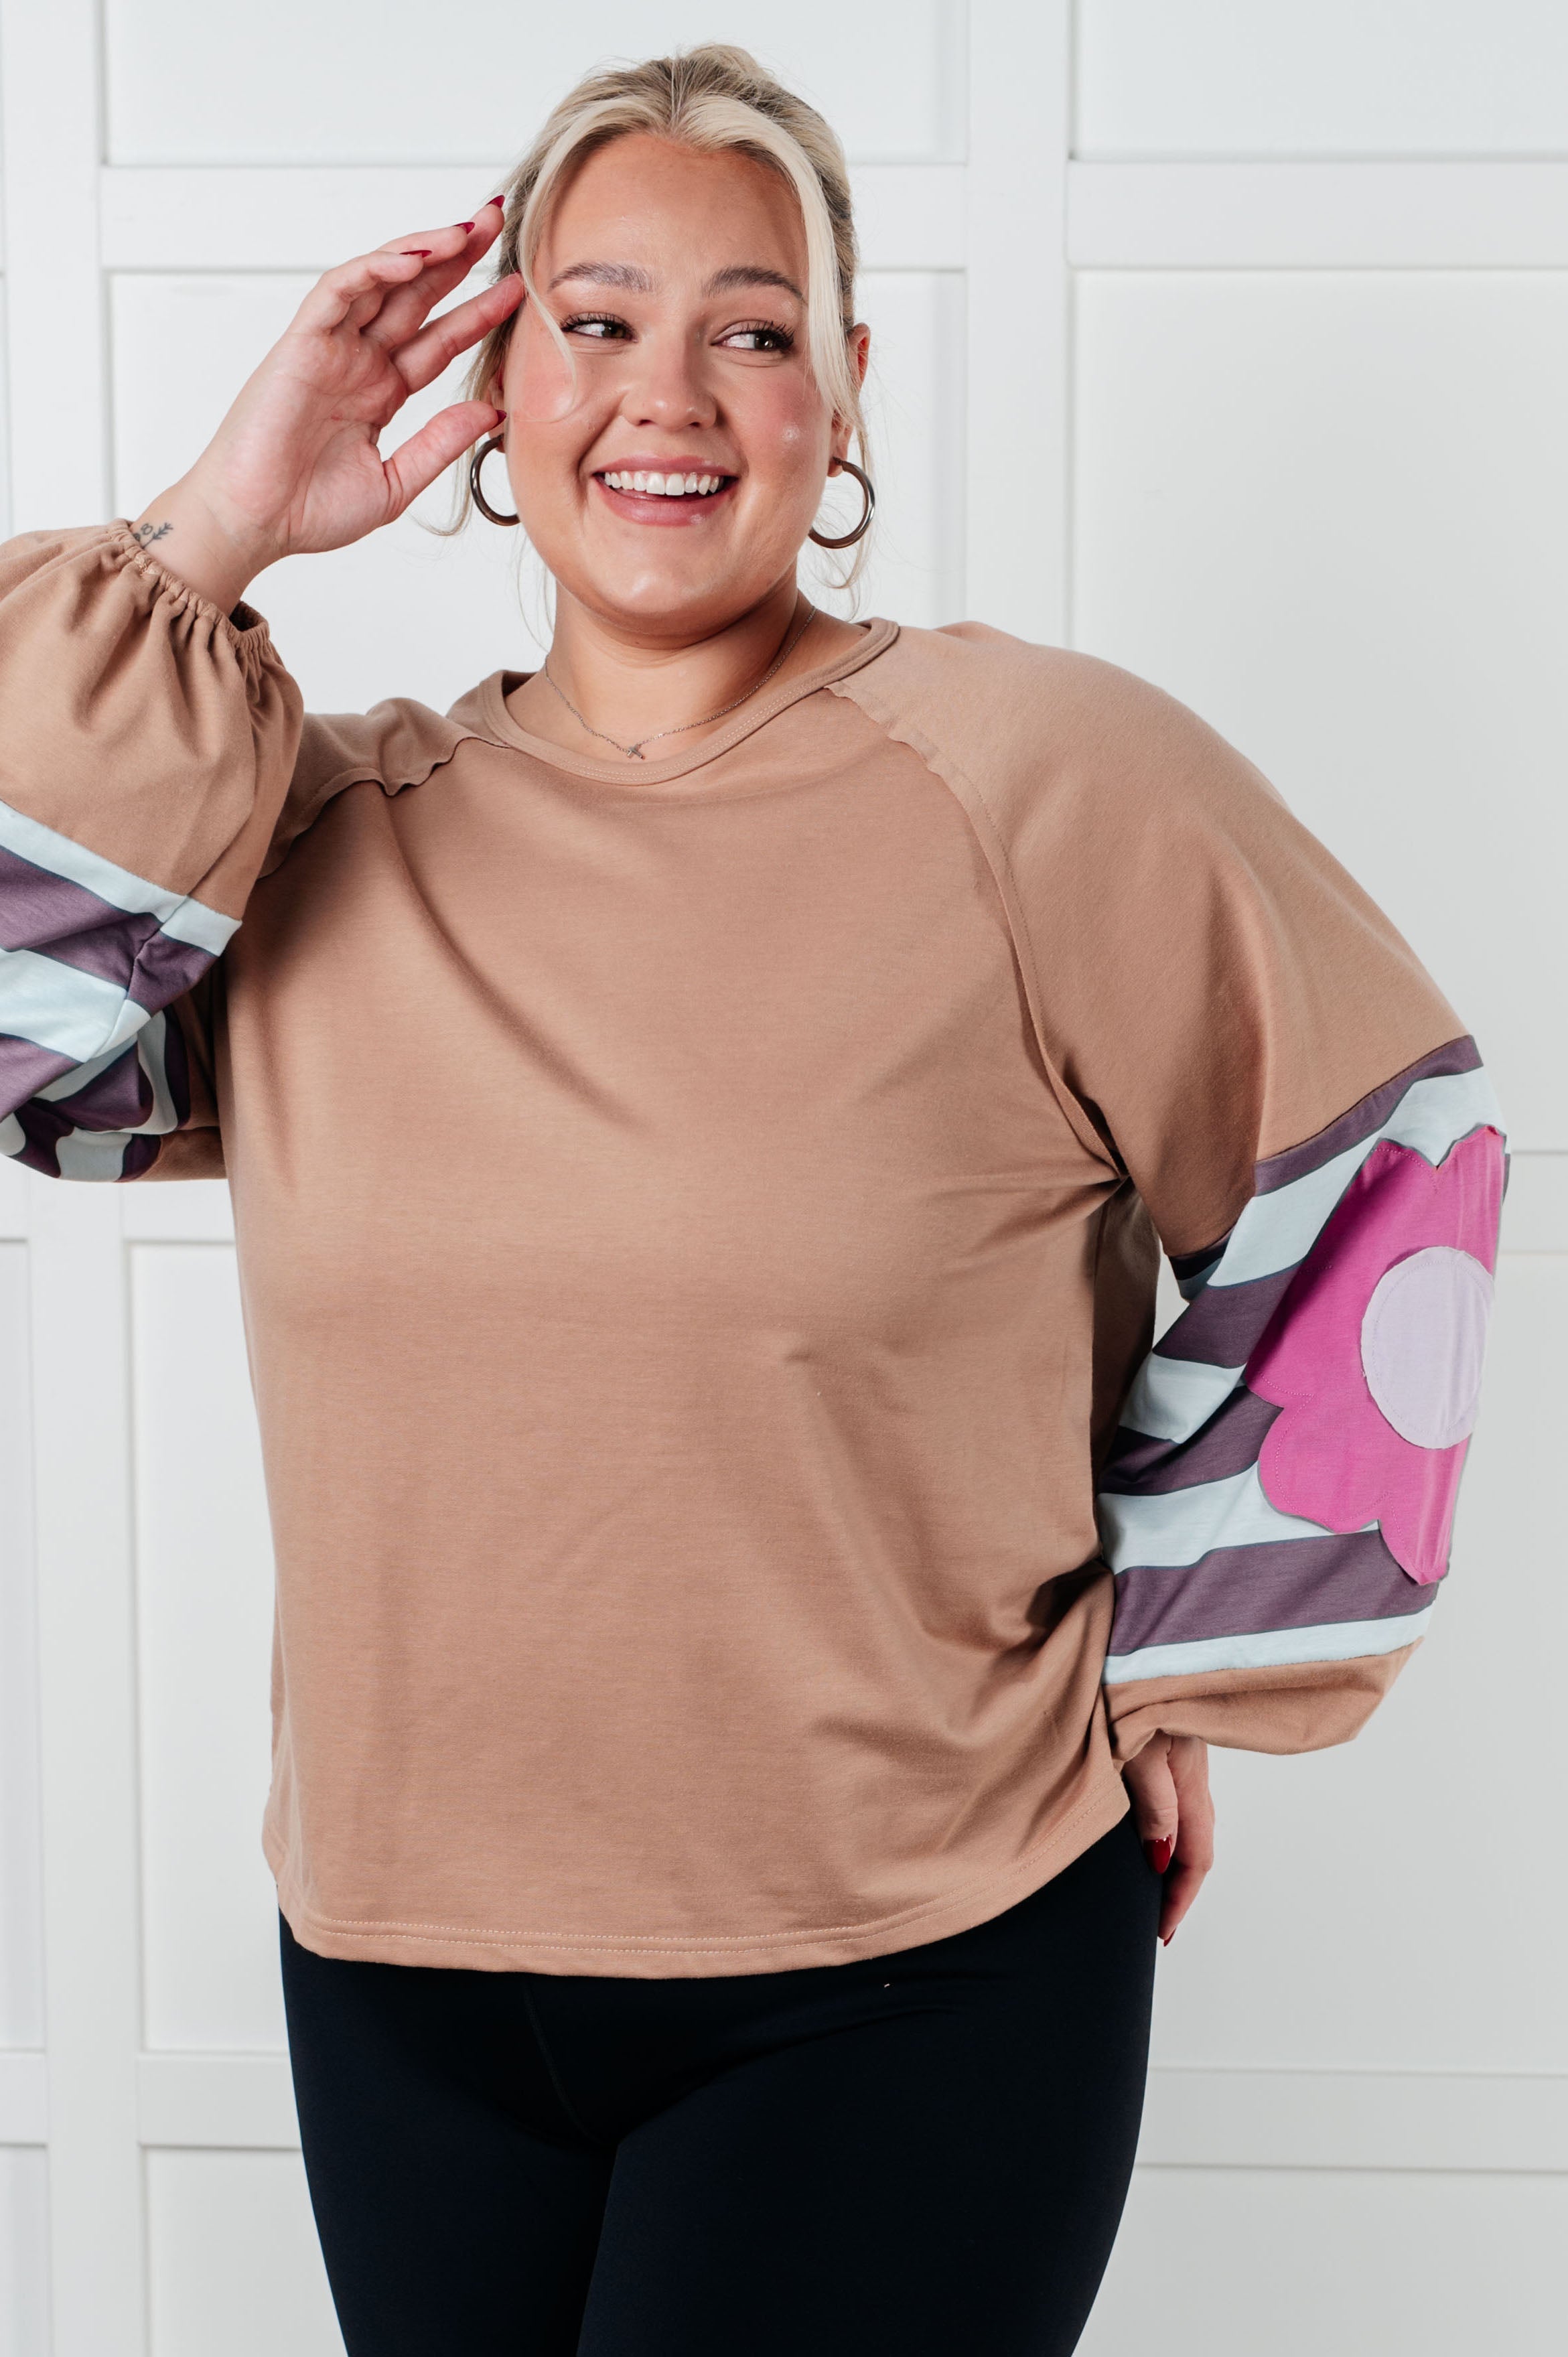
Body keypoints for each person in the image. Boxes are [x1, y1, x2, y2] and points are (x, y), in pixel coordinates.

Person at [0, 44, 1504, 2357]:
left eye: (754, 322)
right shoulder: (312, 840)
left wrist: (1196, 1640)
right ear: (490, 376)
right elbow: (25, 1038)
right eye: (590, 318)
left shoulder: (1037, 784)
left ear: (846, 388)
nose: (666, 393)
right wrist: (209, 531)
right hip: (398, 1978)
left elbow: (1390, 1149)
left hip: (908, 1969)